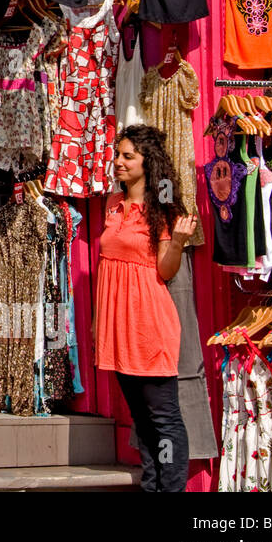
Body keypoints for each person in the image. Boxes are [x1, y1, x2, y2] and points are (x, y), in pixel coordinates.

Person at [94, 124, 198, 492]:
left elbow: (165, 272)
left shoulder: (163, 209)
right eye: (117, 154)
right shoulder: (112, 204)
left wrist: (180, 242)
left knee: (164, 419)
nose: (118, 162)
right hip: (119, 329)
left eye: (127, 156)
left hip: (149, 324)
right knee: (143, 418)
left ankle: (171, 489)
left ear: (146, 162)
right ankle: (152, 486)